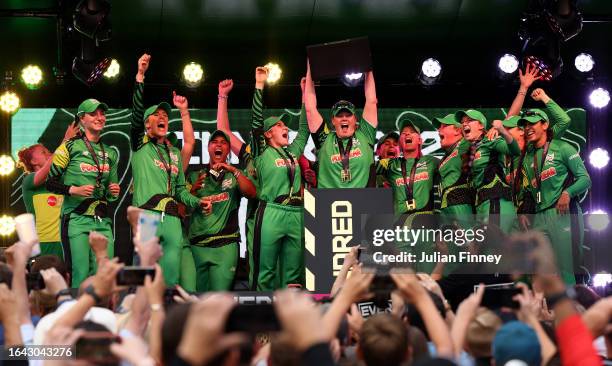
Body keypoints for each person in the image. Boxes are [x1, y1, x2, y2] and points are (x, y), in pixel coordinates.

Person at [130, 53, 211, 285]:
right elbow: (135, 115)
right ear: (147, 124)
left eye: (165, 115)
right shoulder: (139, 144)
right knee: (144, 275)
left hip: (173, 220)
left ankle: (167, 316)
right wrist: (140, 76)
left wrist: (197, 201)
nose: (163, 117)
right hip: (147, 217)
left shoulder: (174, 154)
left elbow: (180, 190)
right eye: (157, 115)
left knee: (171, 276)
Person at [46, 99, 120, 288]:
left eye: (102, 114)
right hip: (76, 219)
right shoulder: (69, 147)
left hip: (102, 221)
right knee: (80, 273)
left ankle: (102, 316)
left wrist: (114, 190)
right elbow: (50, 183)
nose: (100, 117)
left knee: (104, 274)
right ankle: (79, 316)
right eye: (93, 114)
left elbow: (112, 195)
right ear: (81, 119)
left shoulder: (110, 153)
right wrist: (74, 190)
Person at [519, 110, 591, 284]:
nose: (528, 128)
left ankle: (573, 309)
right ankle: (549, 310)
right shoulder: (528, 156)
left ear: (545, 125)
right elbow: (531, 189)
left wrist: (568, 192)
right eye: (525, 124)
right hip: (539, 217)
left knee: (567, 270)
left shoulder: (562, 147)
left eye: (533, 123)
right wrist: (524, 211)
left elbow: (585, 179)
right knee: (543, 273)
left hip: (562, 215)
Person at [186, 129, 256, 291]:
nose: (219, 145)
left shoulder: (234, 176)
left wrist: (234, 171)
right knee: (198, 301)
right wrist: (192, 192)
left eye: (223, 142)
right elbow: (182, 210)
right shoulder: (195, 176)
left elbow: (252, 193)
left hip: (226, 246)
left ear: (228, 150)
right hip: (198, 246)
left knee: (220, 301)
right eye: (214, 142)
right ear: (208, 148)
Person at [376, 118, 439, 272]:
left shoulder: (432, 162)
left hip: (425, 225)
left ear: (420, 140)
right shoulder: (390, 164)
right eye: (403, 134)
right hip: (400, 227)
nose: (407, 135)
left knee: (426, 273)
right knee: (403, 274)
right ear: (401, 143)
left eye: (412, 133)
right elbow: (366, 168)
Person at [304, 61, 378, 188]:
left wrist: (368, 67)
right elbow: (310, 109)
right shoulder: (324, 139)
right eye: (339, 115)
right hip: (327, 203)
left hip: (364, 203)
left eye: (348, 115)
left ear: (355, 119)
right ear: (333, 120)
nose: (344, 118)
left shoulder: (365, 135)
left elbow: (371, 101)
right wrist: (311, 66)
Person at [17, 124, 79, 259]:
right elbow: (48, 168)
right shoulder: (29, 181)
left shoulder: (61, 179)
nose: (49, 153)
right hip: (44, 243)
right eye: (44, 152)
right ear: (33, 161)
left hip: (66, 240)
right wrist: (65, 140)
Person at [458, 109, 520, 233]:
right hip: (483, 205)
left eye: (469, 120)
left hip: (495, 201)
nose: (464, 124)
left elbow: (514, 151)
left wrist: (502, 130)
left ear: (481, 125)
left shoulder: (490, 140)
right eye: (462, 122)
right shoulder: (469, 148)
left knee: (493, 248)